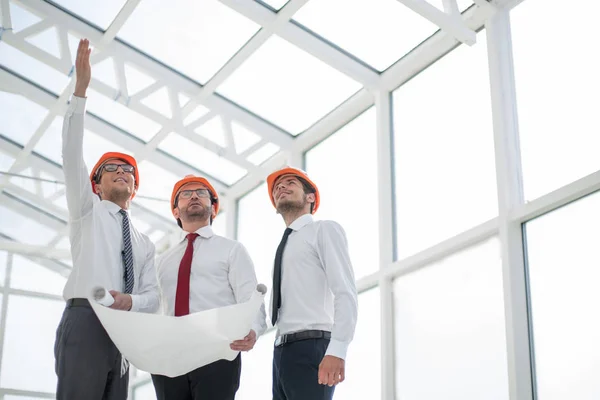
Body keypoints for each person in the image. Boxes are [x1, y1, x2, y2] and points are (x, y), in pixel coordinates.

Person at [54, 39, 160, 399]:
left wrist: (133, 303)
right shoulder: (87, 210)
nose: (121, 172)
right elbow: (71, 156)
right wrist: (80, 93)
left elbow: (153, 295)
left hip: (123, 332)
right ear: (95, 185)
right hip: (86, 320)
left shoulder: (144, 243)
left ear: (134, 186)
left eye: (128, 170)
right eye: (110, 169)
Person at [151, 174, 267, 400]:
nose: (194, 196)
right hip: (170, 357)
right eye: (185, 194)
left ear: (213, 209)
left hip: (217, 352)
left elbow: (250, 296)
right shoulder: (161, 262)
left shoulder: (232, 250)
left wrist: (253, 329)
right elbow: (152, 307)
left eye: (201, 193)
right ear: (176, 211)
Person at [266, 166, 358, 400]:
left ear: (310, 197)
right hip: (281, 351)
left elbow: (345, 292)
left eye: (290, 183)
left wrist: (337, 350)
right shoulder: (284, 245)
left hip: (313, 346)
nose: (281, 187)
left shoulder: (323, 230)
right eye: (277, 187)